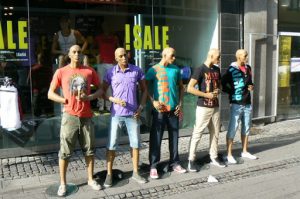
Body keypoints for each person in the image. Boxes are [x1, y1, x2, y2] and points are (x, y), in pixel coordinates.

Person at [48, 45, 102, 196]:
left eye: (79, 52)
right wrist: (64, 100)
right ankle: (63, 184)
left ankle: (91, 179)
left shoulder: (89, 71)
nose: (77, 54)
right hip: (69, 117)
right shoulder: (61, 72)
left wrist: (89, 97)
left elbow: (101, 89)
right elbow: (50, 94)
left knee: (90, 150)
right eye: (74, 52)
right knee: (64, 152)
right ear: (69, 55)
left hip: (86, 116)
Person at [102, 48, 148, 187]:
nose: (124, 58)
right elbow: (102, 92)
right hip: (116, 114)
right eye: (120, 56)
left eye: (125, 55)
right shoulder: (110, 73)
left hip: (133, 114)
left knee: (135, 144)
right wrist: (113, 99)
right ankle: (109, 174)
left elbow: (145, 90)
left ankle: (135, 172)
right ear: (115, 58)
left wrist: (141, 107)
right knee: (111, 145)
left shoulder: (136, 71)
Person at [146, 47, 186, 179]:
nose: (174, 58)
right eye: (172, 55)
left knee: (174, 137)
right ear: (164, 55)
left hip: (173, 109)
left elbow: (181, 87)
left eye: (175, 56)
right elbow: (144, 87)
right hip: (159, 111)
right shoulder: (154, 70)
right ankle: (153, 165)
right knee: (156, 138)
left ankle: (175, 162)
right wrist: (153, 101)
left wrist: (180, 104)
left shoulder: (175, 69)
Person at [187, 49, 225, 172]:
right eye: (218, 57)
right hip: (203, 107)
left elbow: (219, 85)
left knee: (215, 133)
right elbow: (189, 88)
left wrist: (218, 90)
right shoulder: (200, 69)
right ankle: (191, 160)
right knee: (197, 133)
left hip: (215, 106)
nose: (219, 59)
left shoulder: (216, 69)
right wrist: (206, 95)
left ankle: (214, 156)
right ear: (211, 56)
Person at [221, 49, 258, 164]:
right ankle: (229, 154)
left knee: (246, 127)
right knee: (233, 128)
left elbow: (250, 82)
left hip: (247, 102)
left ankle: (245, 151)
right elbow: (222, 83)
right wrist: (231, 91)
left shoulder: (248, 68)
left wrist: (251, 86)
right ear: (238, 57)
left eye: (247, 55)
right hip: (236, 104)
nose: (247, 57)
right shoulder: (231, 70)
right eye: (245, 56)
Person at [94, 21, 119, 113]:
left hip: (111, 63)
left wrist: (116, 59)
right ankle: (101, 105)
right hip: (101, 63)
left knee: (110, 85)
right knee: (100, 84)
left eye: (108, 26)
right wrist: (96, 56)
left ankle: (109, 105)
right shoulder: (99, 37)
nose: (106, 27)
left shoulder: (114, 38)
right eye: (104, 26)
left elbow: (119, 48)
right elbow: (93, 47)